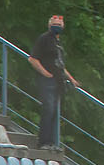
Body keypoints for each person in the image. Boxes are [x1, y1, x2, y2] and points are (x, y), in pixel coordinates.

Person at [28, 14, 73, 150]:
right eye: (55, 24)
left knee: (54, 112)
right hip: (47, 81)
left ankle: (52, 142)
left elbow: (60, 64)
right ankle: (43, 142)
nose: (57, 26)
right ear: (49, 25)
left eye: (59, 24)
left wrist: (71, 79)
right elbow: (32, 59)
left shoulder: (58, 42)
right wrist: (45, 73)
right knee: (48, 109)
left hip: (58, 82)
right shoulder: (44, 39)